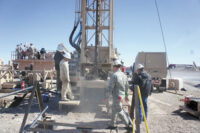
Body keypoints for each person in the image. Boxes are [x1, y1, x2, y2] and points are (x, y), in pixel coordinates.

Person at [105, 60, 130, 128]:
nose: (113, 68)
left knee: (119, 110)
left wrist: (106, 96)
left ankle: (128, 124)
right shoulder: (124, 75)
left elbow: (110, 87)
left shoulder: (114, 75)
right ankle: (112, 124)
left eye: (113, 66)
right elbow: (127, 86)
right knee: (114, 108)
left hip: (117, 96)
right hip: (121, 96)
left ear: (115, 67)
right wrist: (126, 96)